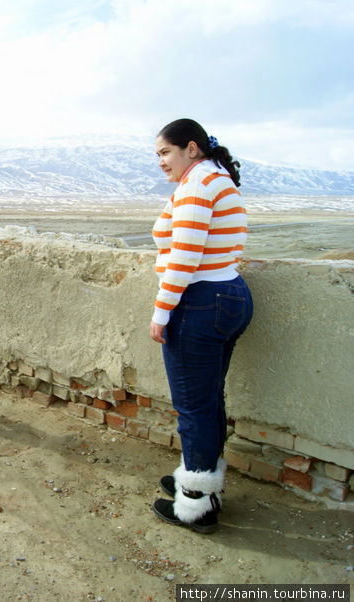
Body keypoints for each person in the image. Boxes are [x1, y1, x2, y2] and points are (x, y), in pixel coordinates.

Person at [148, 118, 253, 533]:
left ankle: (195, 504)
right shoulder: (217, 178)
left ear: (191, 148)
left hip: (199, 304)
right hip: (228, 295)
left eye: (164, 152)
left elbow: (185, 257)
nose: (160, 162)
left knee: (193, 407)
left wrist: (161, 312)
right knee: (208, 401)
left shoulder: (195, 186)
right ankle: (203, 477)